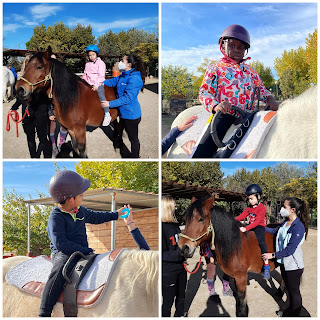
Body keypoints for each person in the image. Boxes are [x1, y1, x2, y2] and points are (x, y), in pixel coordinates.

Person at [39, 170, 127, 317]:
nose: (83, 196)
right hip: (63, 253)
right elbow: (60, 243)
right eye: (81, 195)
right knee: (58, 273)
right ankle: (44, 312)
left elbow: (98, 217)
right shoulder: (56, 217)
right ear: (71, 199)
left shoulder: (80, 211)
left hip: (82, 251)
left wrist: (116, 214)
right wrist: (83, 250)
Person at [193, 24, 278, 158]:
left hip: (249, 116)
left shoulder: (251, 72)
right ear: (222, 46)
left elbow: (261, 90)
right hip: (225, 115)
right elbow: (204, 92)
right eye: (232, 45)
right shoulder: (215, 68)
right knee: (204, 150)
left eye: (241, 47)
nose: (237, 50)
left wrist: (270, 98)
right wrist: (216, 105)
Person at [263, 197, 308, 317]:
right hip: (284, 263)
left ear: (293, 210)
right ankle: (290, 311)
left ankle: (295, 313)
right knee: (289, 288)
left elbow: (290, 250)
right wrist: (260, 228)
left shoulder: (298, 226)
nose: (282, 209)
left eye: (284, 207)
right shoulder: (286, 222)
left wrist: (271, 255)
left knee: (294, 292)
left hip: (293, 266)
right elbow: (275, 232)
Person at [103, 54, 145, 158]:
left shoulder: (134, 79)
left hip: (131, 116)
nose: (120, 62)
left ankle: (135, 157)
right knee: (119, 130)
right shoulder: (124, 75)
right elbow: (112, 81)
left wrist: (109, 103)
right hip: (123, 114)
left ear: (129, 64)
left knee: (133, 138)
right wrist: (98, 81)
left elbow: (127, 98)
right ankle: (118, 143)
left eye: (122, 61)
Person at [235, 184, 270, 279]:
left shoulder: (261, 208)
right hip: (250, 226)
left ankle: (266, 265)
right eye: (249, 199)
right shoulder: (249, 207)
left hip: (259, 227)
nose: (250, 201)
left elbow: (257, 222)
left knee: (262, 242)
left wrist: (245, 228)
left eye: (251, 198)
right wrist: (234, 220)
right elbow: (242, 215)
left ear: (258, 197)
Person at [162, 196, 187, 317]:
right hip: (168, 272)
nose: (176, 208)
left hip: (181, 269)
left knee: (181, 296)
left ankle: (180, 315)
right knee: (168, 301)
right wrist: (179, 254)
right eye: (174, 206)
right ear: (167, 208)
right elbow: (162, 254)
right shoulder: (161, 228)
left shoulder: (175, 225)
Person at [10, 93, 52, 158]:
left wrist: (50, 112)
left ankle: (43, 156)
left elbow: (47, 99)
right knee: (30, 139)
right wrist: (13, 108)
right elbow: (19, 97)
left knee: (43, 138)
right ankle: (33, 157)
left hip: (41, 114)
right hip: (28, 115)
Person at [82, 44, 111, 126]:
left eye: (93, 55)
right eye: (90, 55)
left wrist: (96, 85)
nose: (91, 56)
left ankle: (107, 113)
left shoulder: (101, 63)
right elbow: (85, 74)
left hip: (97, 83)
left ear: (96, 54)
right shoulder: (87, 64)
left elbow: (101, 76)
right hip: (87, 83)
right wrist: (82, 79)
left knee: (101, 95)